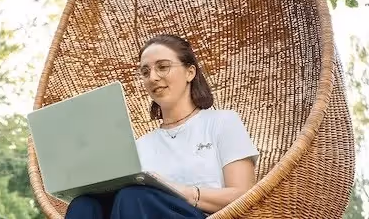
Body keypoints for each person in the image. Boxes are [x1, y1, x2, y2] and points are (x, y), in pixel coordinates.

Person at [65, 34, 260, 219]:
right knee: (85, 204)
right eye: (145, 72)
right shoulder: (139, 147)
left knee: (133, 196)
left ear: (190, 72)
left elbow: (245, 196)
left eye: (163, 67)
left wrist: (182, 192)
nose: (153, 77)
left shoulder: (222, 122)